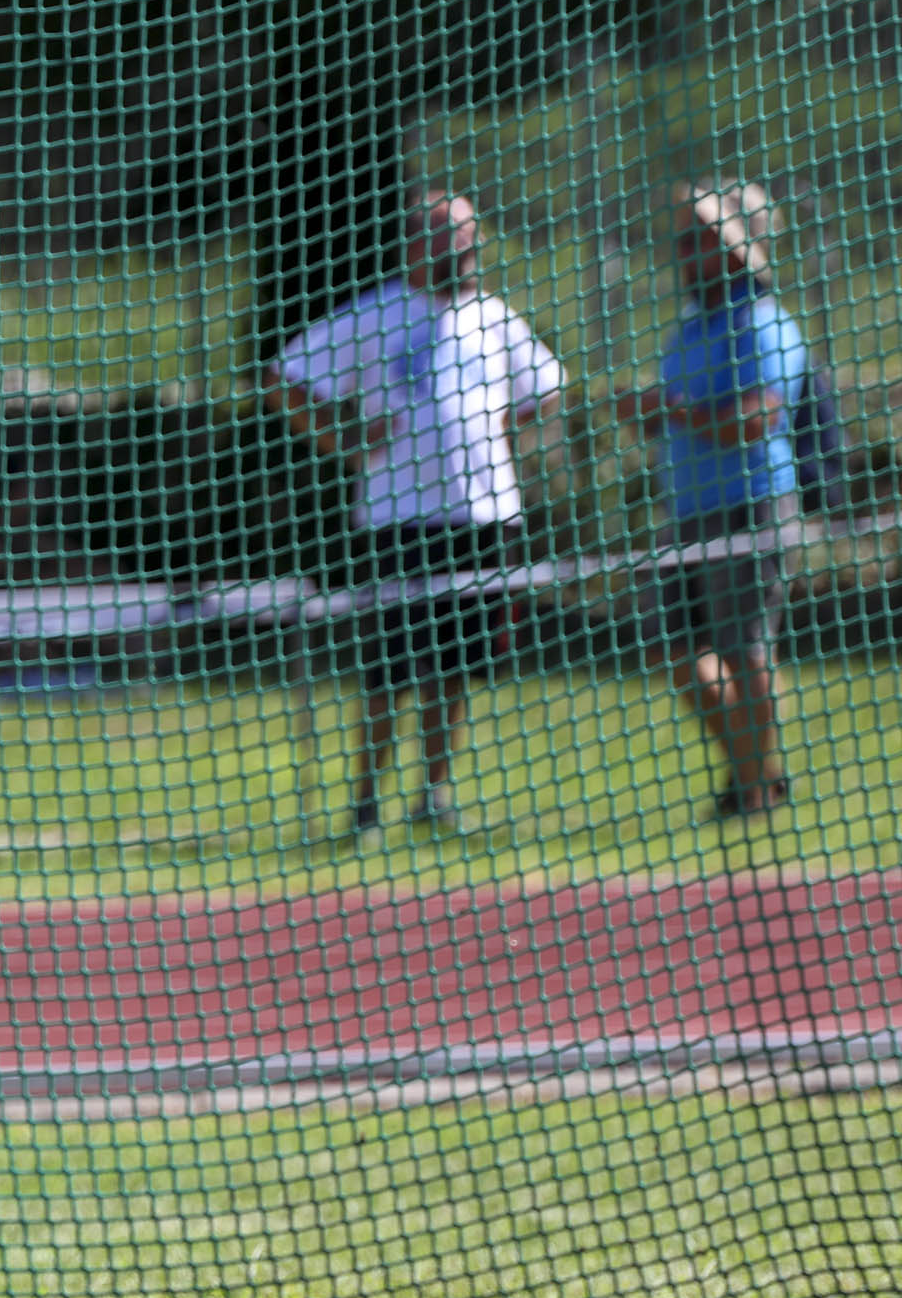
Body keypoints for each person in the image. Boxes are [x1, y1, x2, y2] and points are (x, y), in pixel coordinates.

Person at [268, 190, 564, 835]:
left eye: (468, 233)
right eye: (448, 233)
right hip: (396, 520)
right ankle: (366, 804)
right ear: (414, 243)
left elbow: (546, 388)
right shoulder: (374, 313)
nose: (464, 246)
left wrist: (504, 429)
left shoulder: (493, 317)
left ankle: (433, 795)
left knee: (455, 665)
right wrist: (344, 439)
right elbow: (285, 378)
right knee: (390, 668)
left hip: (482, 517)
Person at [614, 184, 809, 819]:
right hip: (686, 512)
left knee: (743, 647)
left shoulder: (764, 324)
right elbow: (683, 414)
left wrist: (672, 411)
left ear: (735, 250)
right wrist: (649, 413)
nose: (683, 249)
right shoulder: (690, 328)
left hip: (750, 506)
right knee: (670, 647)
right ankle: (759, 777)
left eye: (700, 238)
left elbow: (755, 420)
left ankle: (751, 793)